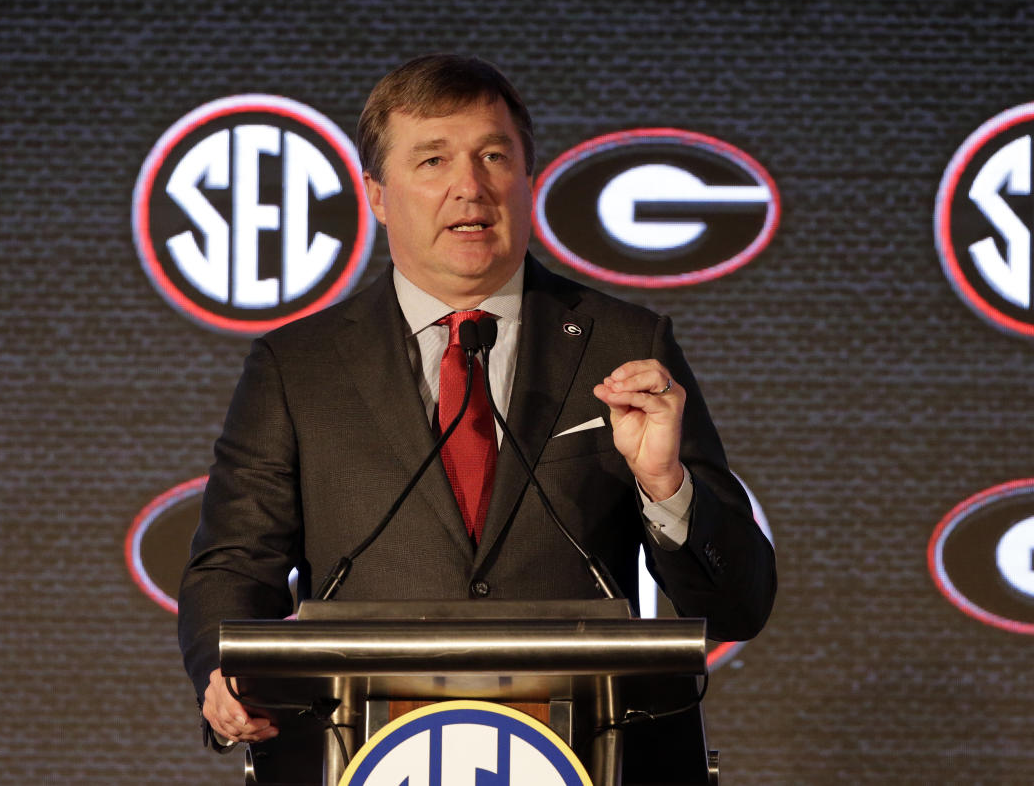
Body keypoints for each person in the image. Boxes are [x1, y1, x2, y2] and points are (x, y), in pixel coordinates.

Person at [177, 53, 776, 748]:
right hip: (362, 747)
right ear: (375, 194)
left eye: (493, 156)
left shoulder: (625, 343)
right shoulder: (299, 365)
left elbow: (738, 605)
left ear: (527, 179)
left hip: (582, 746)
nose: (470, 187)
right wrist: (223, 668)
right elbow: (234, 563)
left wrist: (665, 485)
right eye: (432, 161)